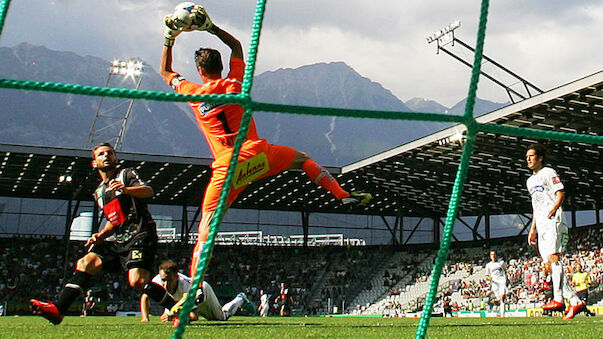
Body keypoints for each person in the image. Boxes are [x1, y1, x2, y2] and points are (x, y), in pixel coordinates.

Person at [159, 4, 372, 280]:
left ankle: (194, 287)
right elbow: (236, 45)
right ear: (222, 67)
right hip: (259, 155)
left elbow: (165, 72)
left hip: (228, 169)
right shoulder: (235, 84)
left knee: (206, 230)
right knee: (303, 159)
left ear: (200, 71)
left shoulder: (194, 93)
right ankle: (341, 194)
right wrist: (210, 27)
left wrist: (169, 36)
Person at [30, 142, 178, 324]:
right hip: (120, 240)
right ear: (94, 163)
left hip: (141, 234)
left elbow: (148, 191)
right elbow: (114, 221)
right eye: (101, 154)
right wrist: (100, 235)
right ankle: (58, 310)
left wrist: (126, 189)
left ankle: (178, 309)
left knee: (137, 281)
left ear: (116, 159)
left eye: (110, 153)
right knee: (85, 262)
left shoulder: (126, 174)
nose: (106, 156)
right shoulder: (99, 192)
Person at [525, 143, 585, 320]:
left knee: (554, 258)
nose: (528, 159)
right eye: (527, 156)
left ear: (540, 158)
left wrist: (554, 209)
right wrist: (532, 228)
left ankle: (558, 298)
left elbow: (560, 192)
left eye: (531, 155)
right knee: (549, 266)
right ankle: (574, 301)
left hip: (553, 220)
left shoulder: (548, 172)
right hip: (541, 224)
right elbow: (536, 206)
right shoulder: (530, 181)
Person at [142, 259, 250, 327]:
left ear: (177, 276)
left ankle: (240, 299)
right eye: (163, 280)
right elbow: (145, 297)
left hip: (203, 294)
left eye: (168, 280)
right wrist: (145, 318)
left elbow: (194, 316)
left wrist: (173, 316)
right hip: (181, 301)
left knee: (221, 317)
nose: (164, 284)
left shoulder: (186, 286)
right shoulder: (157, 280)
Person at [484, 250, 507, 317]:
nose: (493, 256)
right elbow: (487, 276)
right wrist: (490, 278)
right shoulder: (488, 265)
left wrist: (506, 279)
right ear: (490, 256)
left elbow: (505, 270)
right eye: (492, 254)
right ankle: (501, 310)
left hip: (502, 281)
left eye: (494, 254)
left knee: (502, 296)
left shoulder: (501, 262)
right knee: (499, 298)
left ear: (496, 255)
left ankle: (502, 314)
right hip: (494, 283)